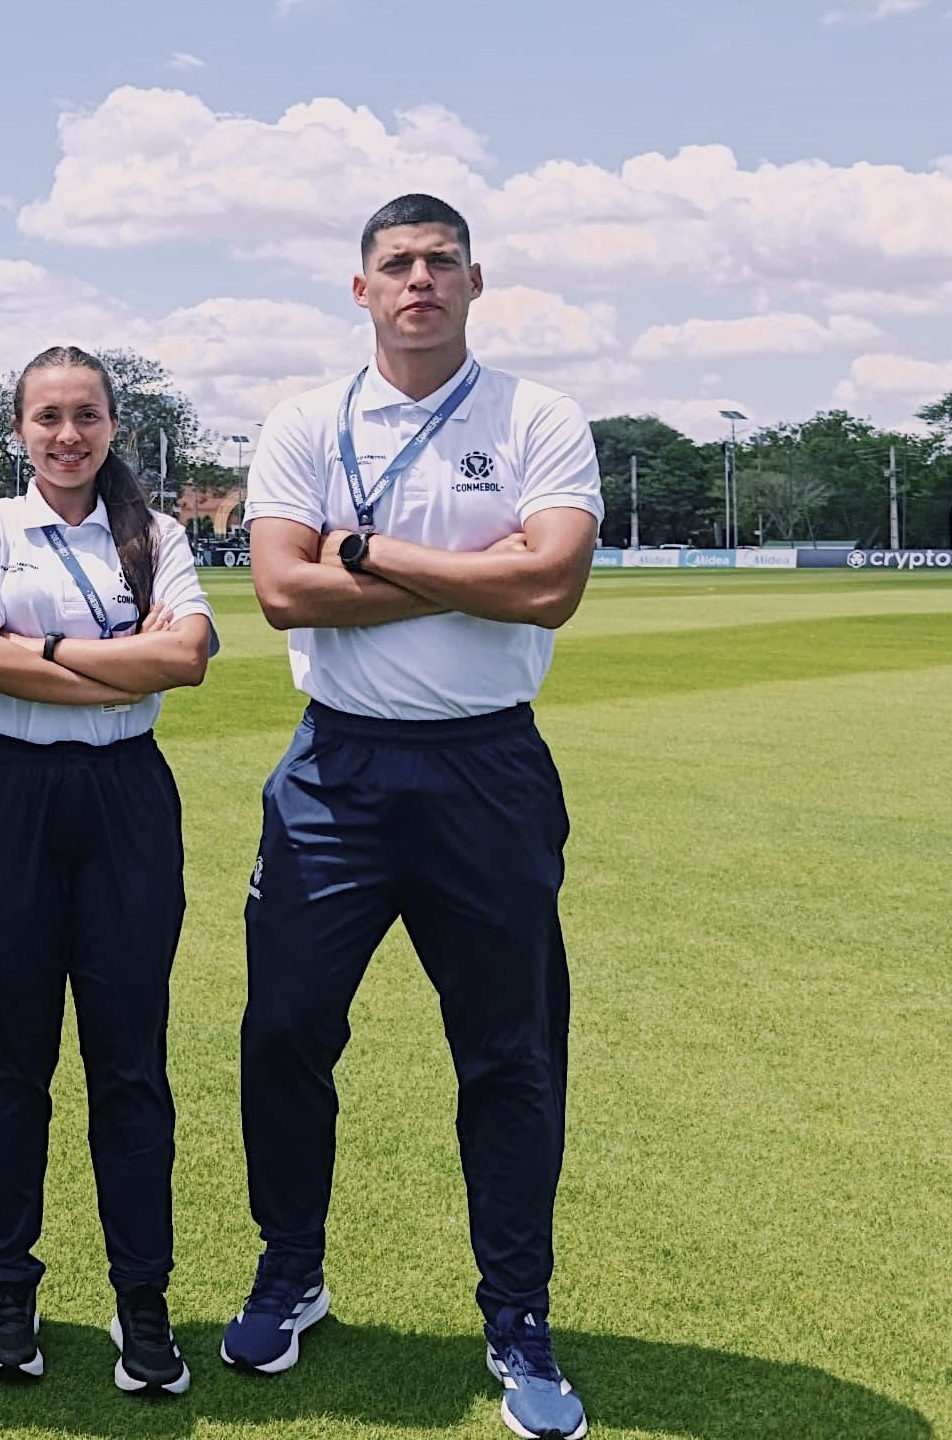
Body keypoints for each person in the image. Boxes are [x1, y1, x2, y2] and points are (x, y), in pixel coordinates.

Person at [227, 194, 601, 1440]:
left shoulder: (535, 416)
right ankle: (291, 1273)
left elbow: (549, 587)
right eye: (397, 263)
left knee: (507, 1053)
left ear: (476, 281)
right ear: (361, 288)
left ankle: (517, 1316)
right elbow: (281, 591)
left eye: (441, 262)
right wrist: (465, 575)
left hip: (487, 773)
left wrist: (370, 556)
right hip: (337, 773)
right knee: (283, 1029)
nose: (419, 280)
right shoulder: (303, 421)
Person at [0, 346, 216, 1396]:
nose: (66, 434)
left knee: (129, 1066)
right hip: (6, 797)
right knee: (6, 1062)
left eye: (84, 415)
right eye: (46, 416)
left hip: (124, 802)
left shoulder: (157, 537)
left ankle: (141, 1306)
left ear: (111, 427)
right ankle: (10, 1295)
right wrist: (104, 660)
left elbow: (182, 659)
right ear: (18, 431)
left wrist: (38, 651)